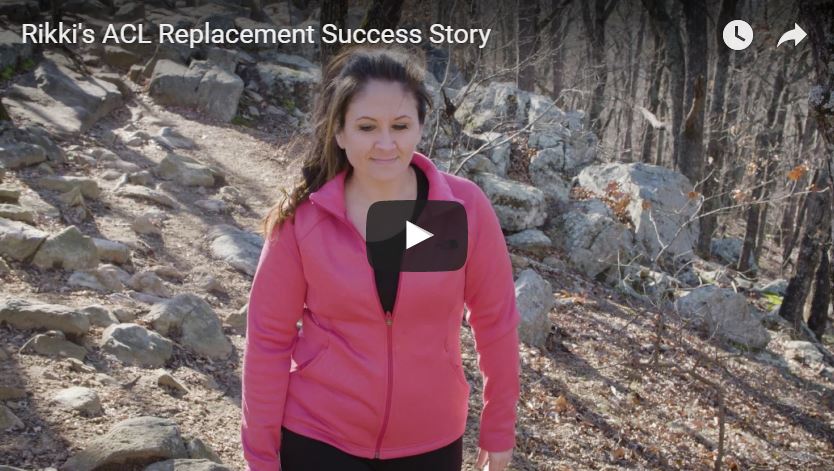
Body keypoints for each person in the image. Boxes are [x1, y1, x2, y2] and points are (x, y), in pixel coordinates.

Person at [241, 46, 520, 471]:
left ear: (421, 127)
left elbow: (496, 320)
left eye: (401, 125)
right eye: (367, 126)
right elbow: (268, 341)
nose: (386, 143)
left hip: (431, 442)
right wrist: (260, 458)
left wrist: (498, 425)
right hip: (319, 439)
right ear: (339, 132)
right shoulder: (304, 220)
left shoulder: (461, 209)